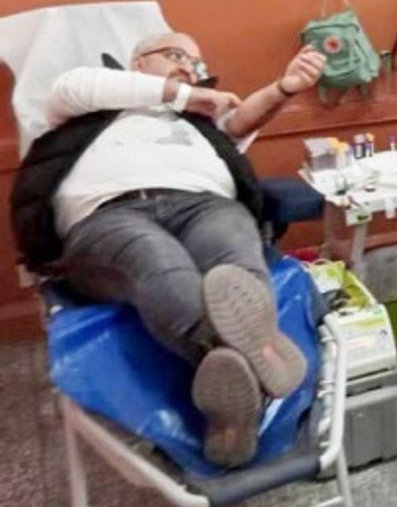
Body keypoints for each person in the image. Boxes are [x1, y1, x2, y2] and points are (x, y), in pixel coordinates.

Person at [10, 34, 327, 467]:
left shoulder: (198, 125)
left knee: (234, 241)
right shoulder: (86, 109)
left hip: (204, 205)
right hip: (107, 215)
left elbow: (240, 122)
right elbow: (71, 85)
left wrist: (285, 87)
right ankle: (255, 364)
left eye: (196, 63)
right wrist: (188, 94)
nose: (188, 67)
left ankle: (233, 386)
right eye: (177, 55)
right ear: (138, 62)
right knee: (154, 258)